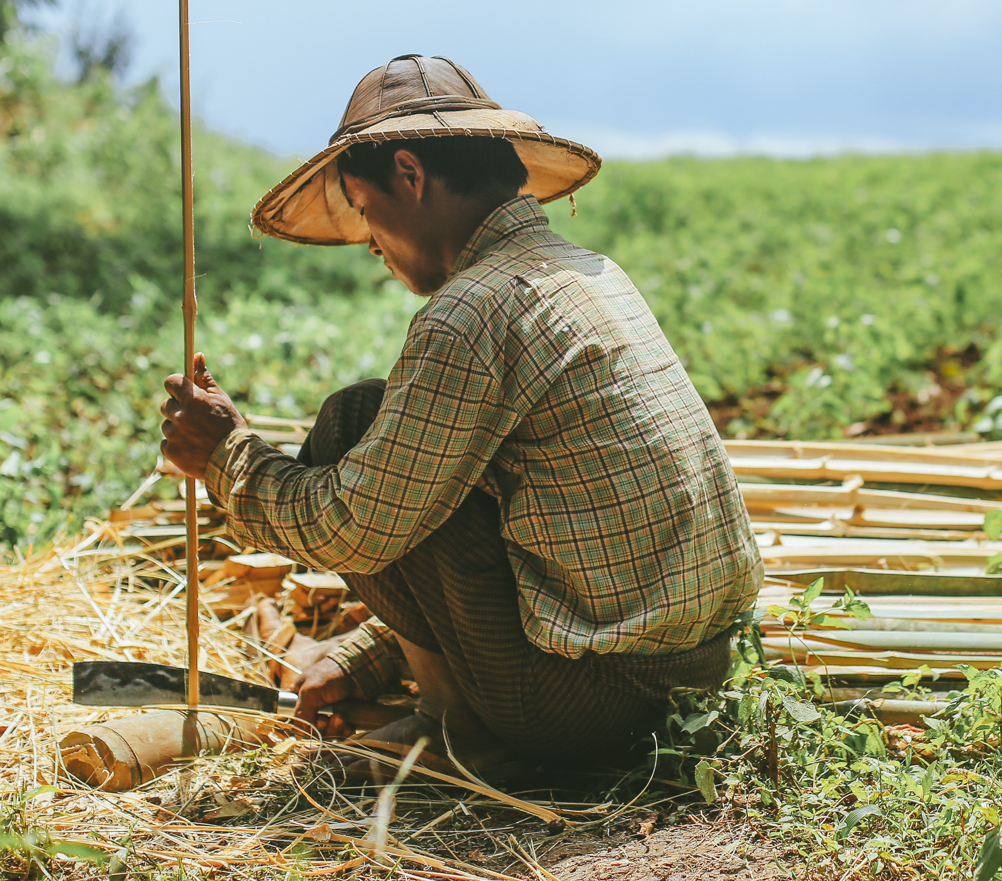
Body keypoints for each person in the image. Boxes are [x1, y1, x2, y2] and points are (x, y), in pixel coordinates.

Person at [159, 55, 762, 781]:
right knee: (399, 443)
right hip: (692, 677)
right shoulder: (588, 270)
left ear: (409, 176)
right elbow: (470, 520)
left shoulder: (472, 310)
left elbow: (353, 524)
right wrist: (365, 655)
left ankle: (457, 728)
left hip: (592, 706)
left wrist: (227, 455)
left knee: (354, 421)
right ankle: (451, 702)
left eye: (363, 207)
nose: (372, 243)